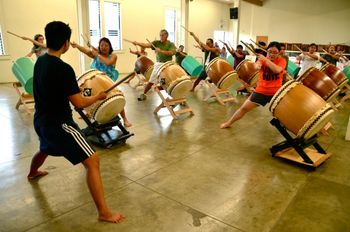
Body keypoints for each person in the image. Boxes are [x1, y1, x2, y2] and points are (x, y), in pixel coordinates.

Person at [27, 21, 124, 223]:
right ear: (66, 43)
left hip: (41, 120)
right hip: (60, 124)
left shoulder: (40, 62)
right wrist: (98, 97)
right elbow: (79, 102)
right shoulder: (63, 69)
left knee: (45, 147)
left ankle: (33, 172)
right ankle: (104, 213)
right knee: (93, 160)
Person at [220, 41, 287, 129]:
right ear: (267, 51)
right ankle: (228, 123)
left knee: (284, 113)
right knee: (243, 109)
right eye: (270, 51)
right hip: (261, 91)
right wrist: (257, 65)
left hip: (276, 93)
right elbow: (256, 65)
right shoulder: (262, 60)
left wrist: (266, 60)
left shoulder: (281, 60)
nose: (272, 54)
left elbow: (277, 70)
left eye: (275, 52)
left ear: (279, 53)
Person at [71, 38, 132, 127]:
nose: (104, 47)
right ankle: (89, 112)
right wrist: (77, 46)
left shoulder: (113, 56)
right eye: (102, 45)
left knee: (116, 96)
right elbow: (86, 51)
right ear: (99, 46)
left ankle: (125, 119)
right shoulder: (96, 55)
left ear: (110, 46)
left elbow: (108, 62)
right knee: (86, 92)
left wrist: (97, 55)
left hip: (107, 81)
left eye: (106, 45)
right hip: (94, 80)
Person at [132, 29, 176, 101]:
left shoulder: (171, 44)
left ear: (167, 36)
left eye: (162, 35)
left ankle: (177, 97)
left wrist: (161, 51)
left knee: (172, 80)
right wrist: (137, 43)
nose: (161, 37)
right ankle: (144, 94)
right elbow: (146, 45)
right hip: (159, 64)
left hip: (168, 64)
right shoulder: (157, 43)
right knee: (151, 80)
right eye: (160, 35)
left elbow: (172, 53)